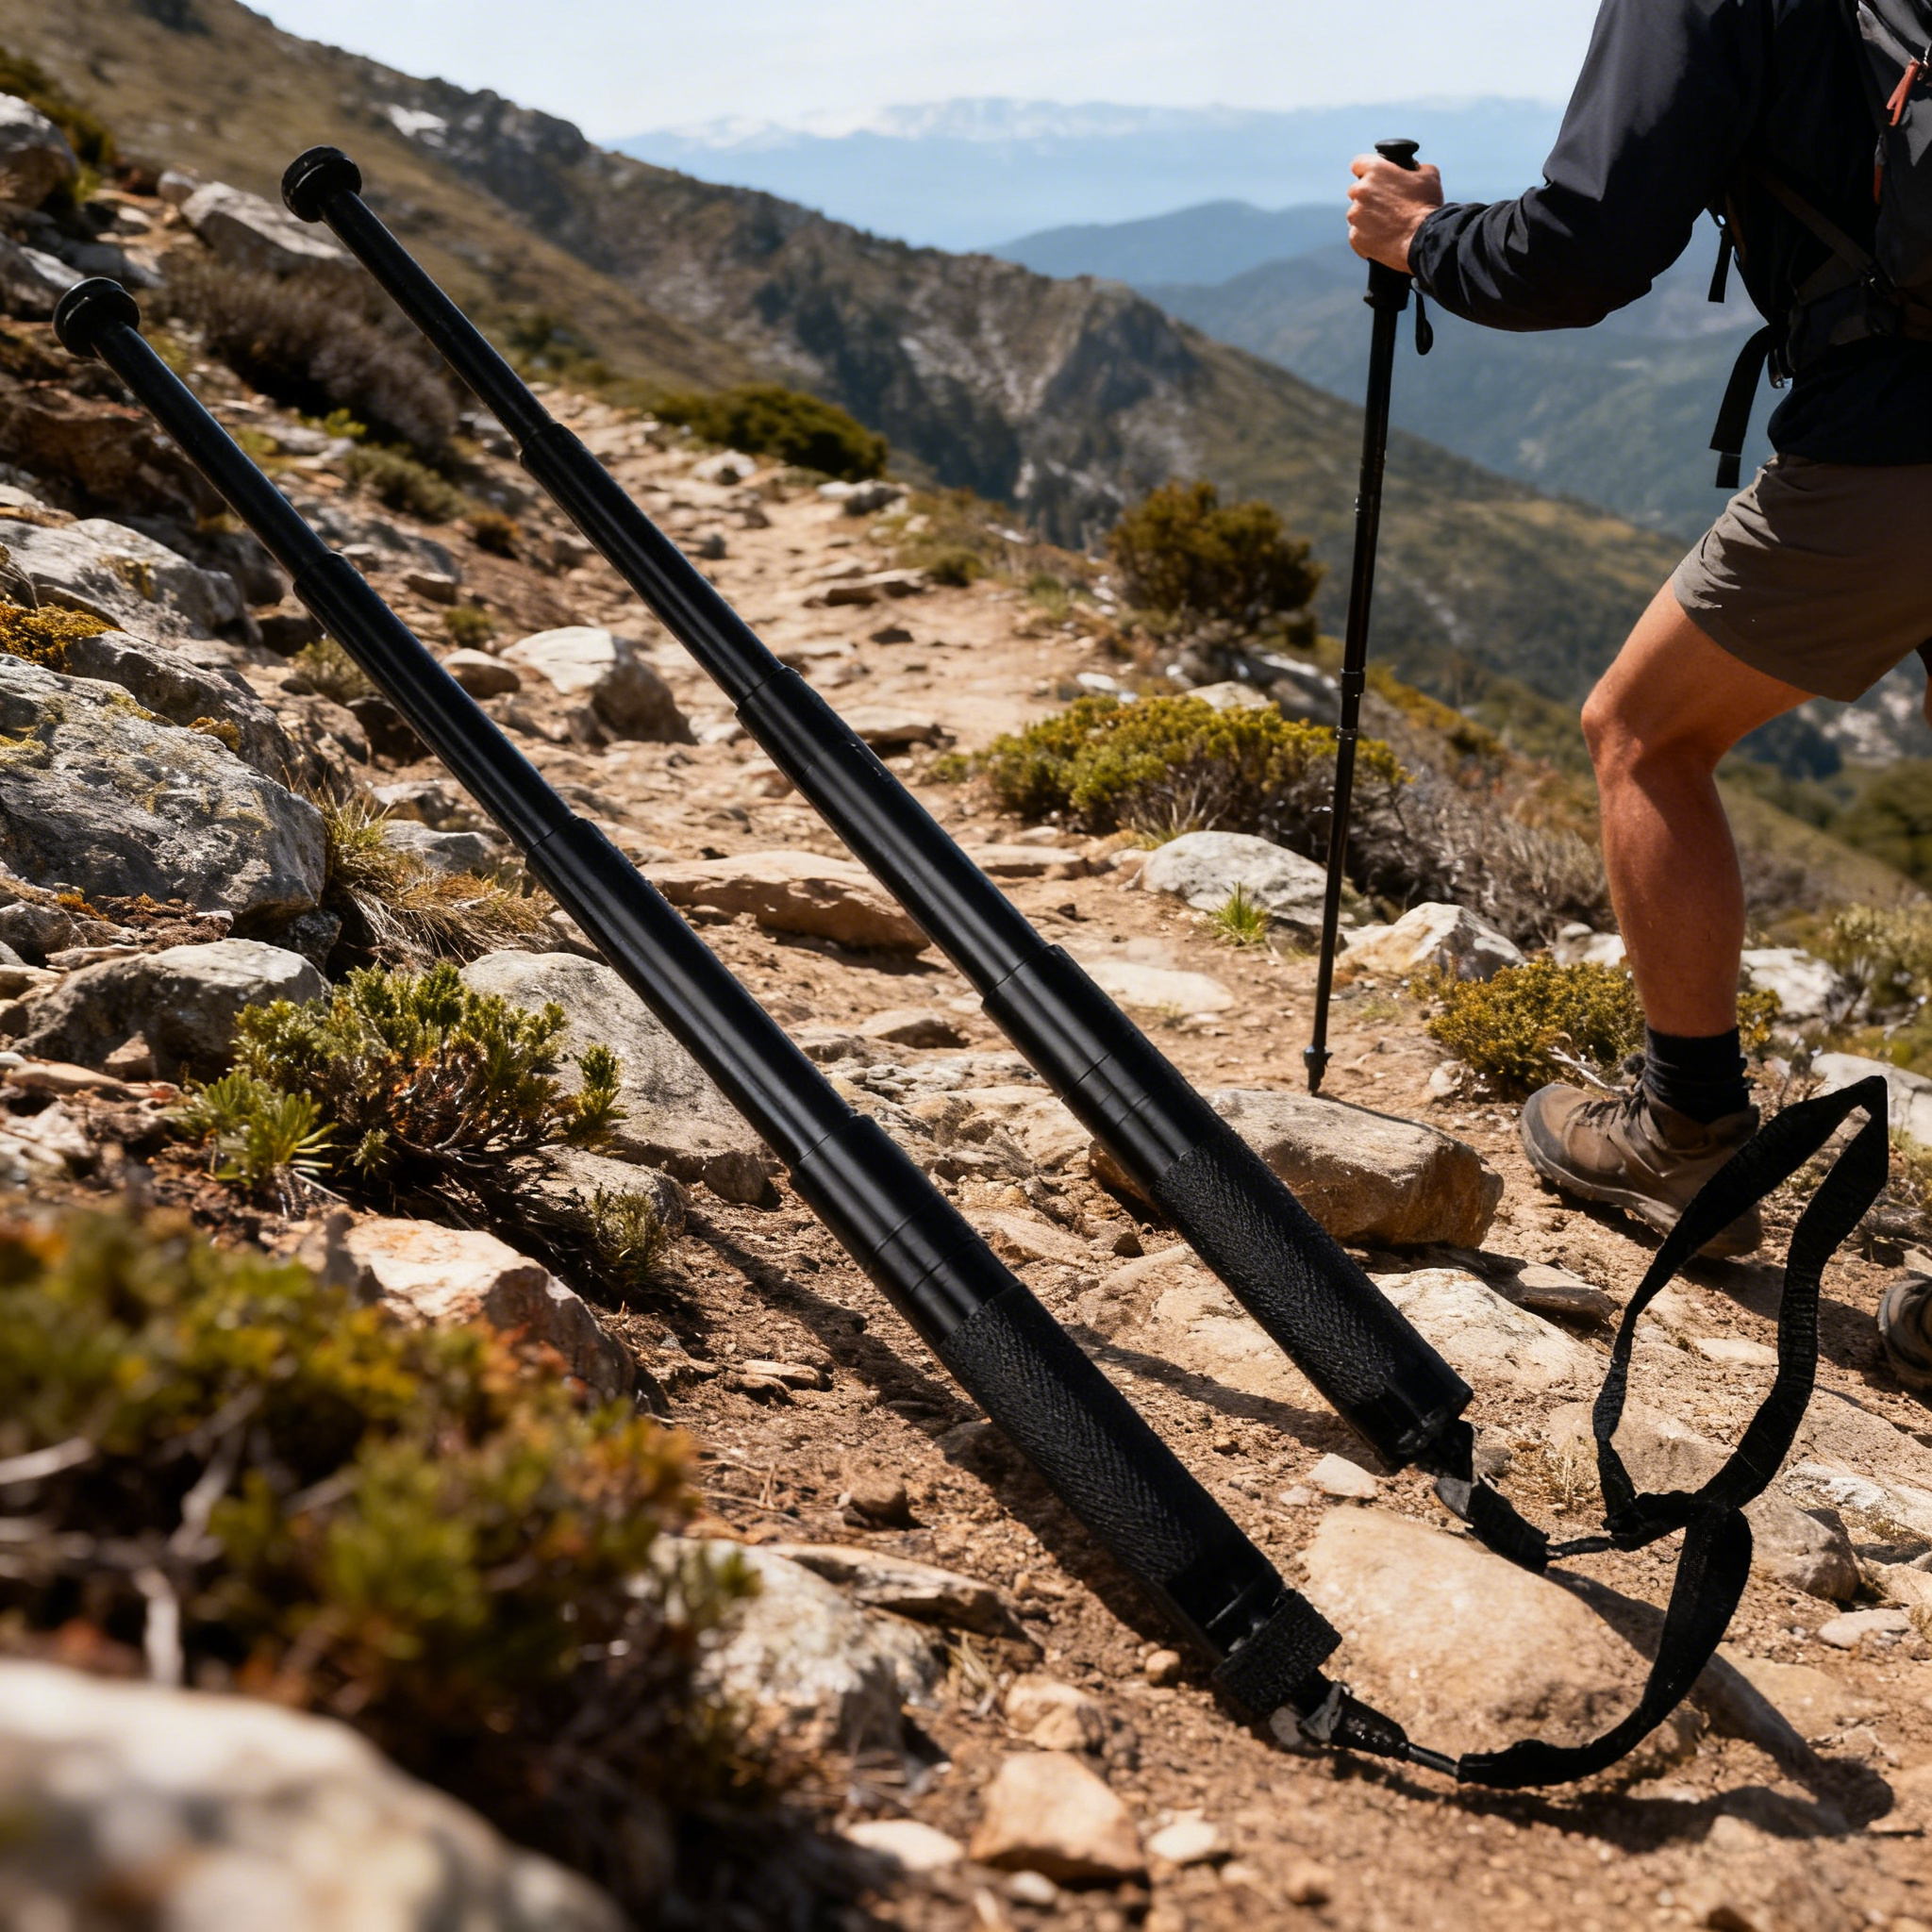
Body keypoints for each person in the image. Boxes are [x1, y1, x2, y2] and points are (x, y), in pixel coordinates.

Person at [1345, 0, 1932, 1364]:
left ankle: (1684, 1133)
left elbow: (1588, 249)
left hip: (1895, 445)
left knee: (1644, 735)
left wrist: (1425, 241)